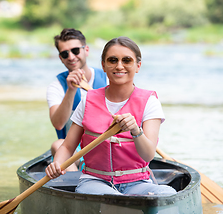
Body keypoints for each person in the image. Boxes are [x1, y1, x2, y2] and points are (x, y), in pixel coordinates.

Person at [45, 36, 176, 196]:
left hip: (138, 183)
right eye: (112, 60)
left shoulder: (150, 101)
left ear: (138, 66)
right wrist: (57, 163)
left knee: (168, 193)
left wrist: (136, 130)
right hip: (95, 182)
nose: (119, 66)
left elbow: (148, 155)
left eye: (127, 60)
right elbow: (67, 146)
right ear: (104, 66)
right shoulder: (88, 100)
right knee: (115, 199)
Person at [46, 28, 107, 171]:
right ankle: (78, 185)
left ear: (86, 50)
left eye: (75, 50)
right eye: (65, 54)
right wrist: (71, 90)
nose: (71, 57)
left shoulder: (108, 78)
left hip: (106, 144)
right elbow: (58, 124)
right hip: (74, 150)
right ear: (60, 58)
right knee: (57, 145)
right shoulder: (57, 86)